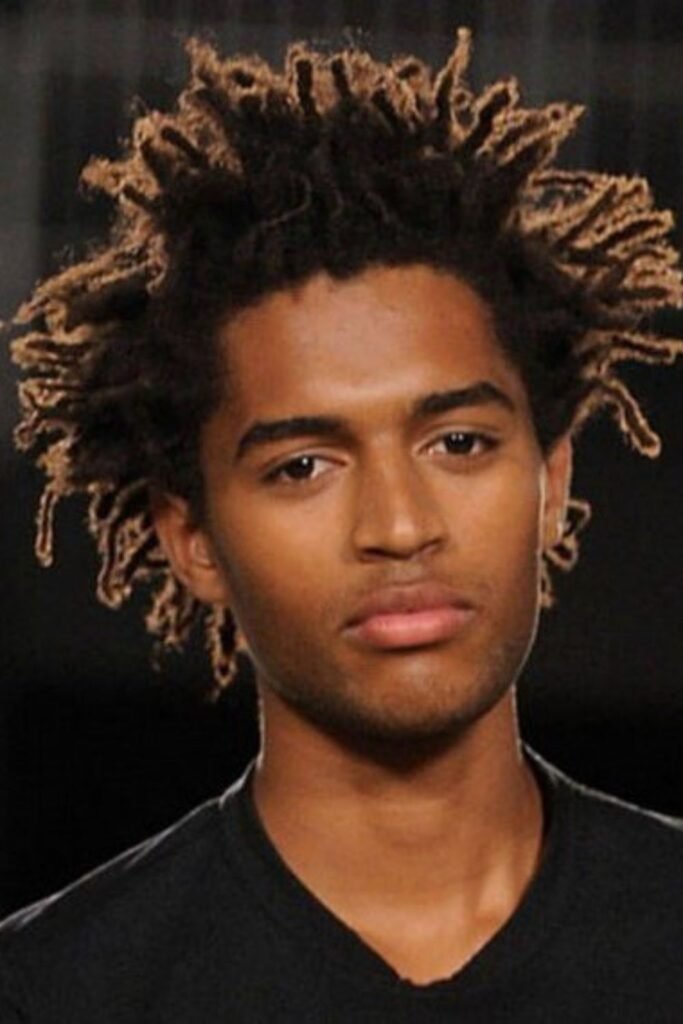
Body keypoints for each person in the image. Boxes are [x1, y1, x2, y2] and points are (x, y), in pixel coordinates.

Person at [1, 26, 683, 1022]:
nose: (399, 526)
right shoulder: (55, 995)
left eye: (457, 443)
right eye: (302, 466)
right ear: (192, 540)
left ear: (550, 479)